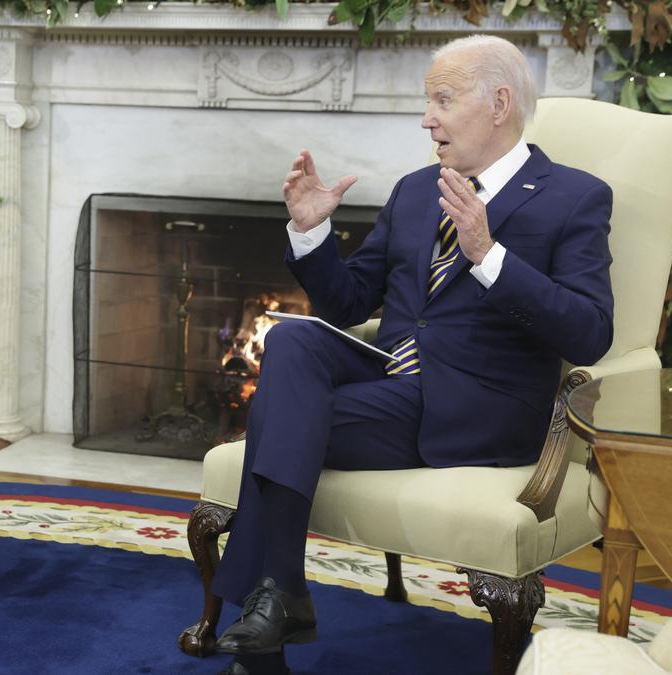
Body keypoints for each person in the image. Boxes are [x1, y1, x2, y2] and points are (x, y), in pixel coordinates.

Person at [210, 35, 614, 674]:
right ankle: (282, 593)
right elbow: (347, 304)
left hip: (478, 408)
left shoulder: (574, 197)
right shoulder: (415, 189)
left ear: (499, 102)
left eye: (442, 100)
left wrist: (489, 256)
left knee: (274, 422)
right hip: (389, 378)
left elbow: (591, 332)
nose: (427, 118)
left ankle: (268, 624)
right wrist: (311, 231)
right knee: (291, 337)